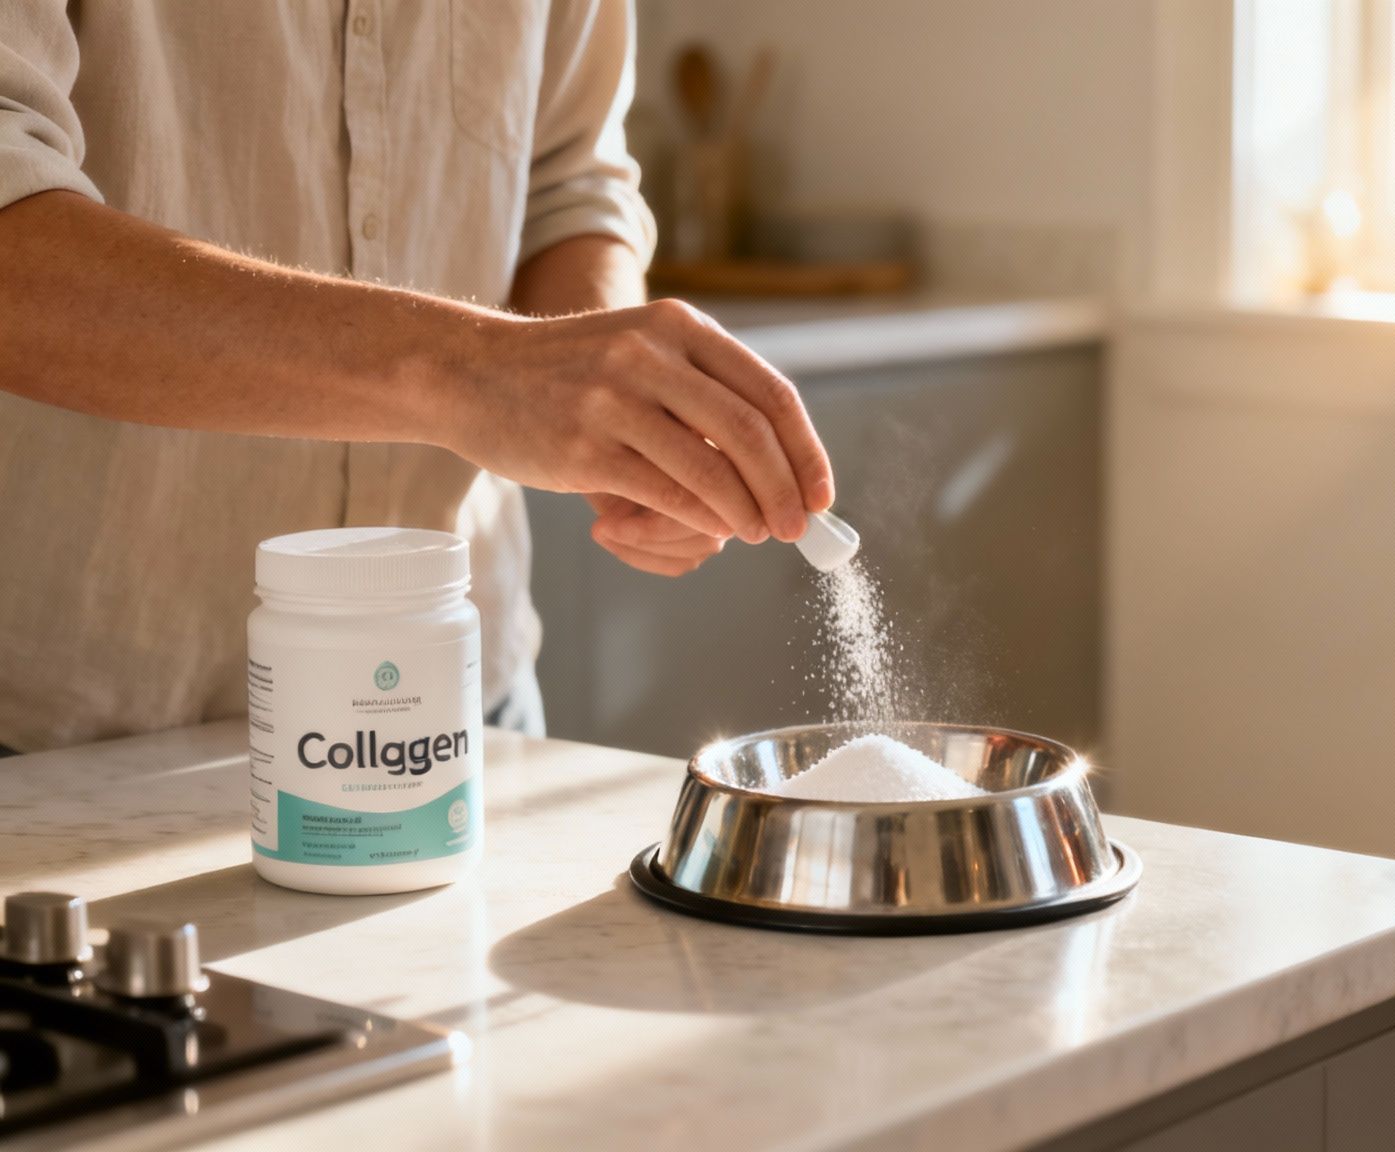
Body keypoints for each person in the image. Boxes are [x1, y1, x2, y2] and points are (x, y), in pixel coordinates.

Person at [0, 3, 833, 754]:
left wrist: (622, 414)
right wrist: (471, 372)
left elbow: (571, 184)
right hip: (77, 734)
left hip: (466, 704)